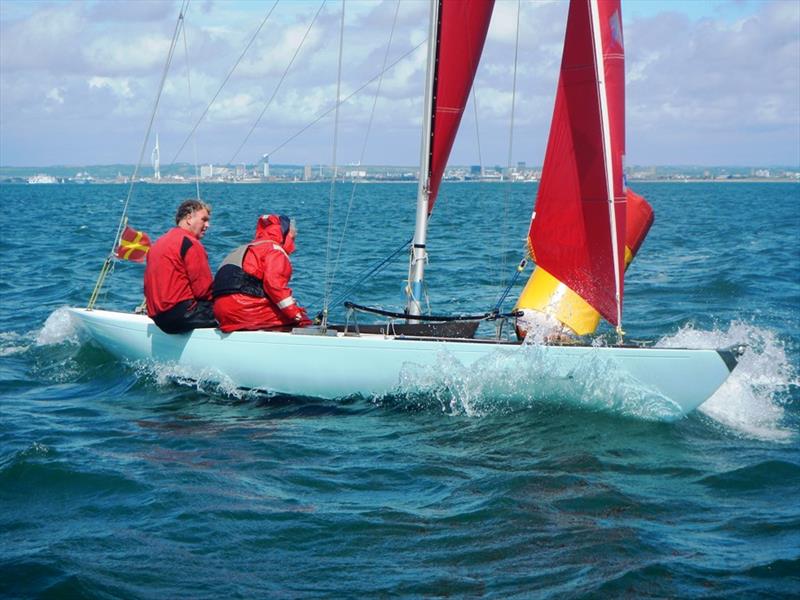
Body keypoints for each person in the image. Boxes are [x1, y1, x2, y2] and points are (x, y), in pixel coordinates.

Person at [212, 214, 311, 332]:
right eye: (293, 238)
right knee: (300, 320)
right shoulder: (274, 251)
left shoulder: (245, 248)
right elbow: (275, 287)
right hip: (245, 311)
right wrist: (296, 315)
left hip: (220, 312)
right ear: (286, 235)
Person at [143, 199, 218, 334]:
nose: (208, 225)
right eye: (204, 220)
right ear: (189, 218)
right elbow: (203, 290)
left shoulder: (157, 244)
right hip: (183, 315)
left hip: (159, 318)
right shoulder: (190, 243)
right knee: (233, 310)